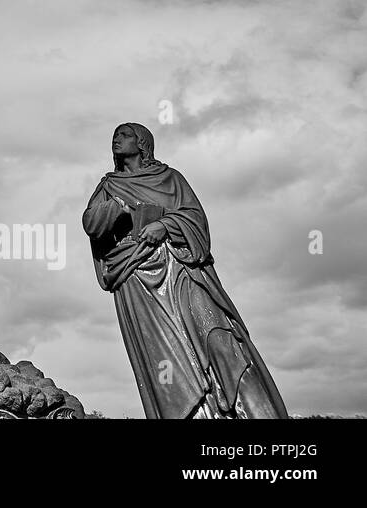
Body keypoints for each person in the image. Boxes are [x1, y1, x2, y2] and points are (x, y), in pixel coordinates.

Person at [83, 123, 288, 418]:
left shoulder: (170, 178)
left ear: (142, 143)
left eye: (125, 134)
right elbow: (91, 222)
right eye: (114, 135)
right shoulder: (108, 186)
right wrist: (118, 209)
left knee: (218, 335)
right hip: (135, 275)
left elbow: (196, 218)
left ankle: (255, 413)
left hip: (181, 267)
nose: (116, 139)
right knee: (165, 357)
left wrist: (164, 225)